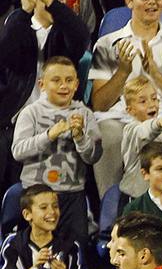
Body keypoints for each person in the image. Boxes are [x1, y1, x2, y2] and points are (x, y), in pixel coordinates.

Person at [0, 0, 92, 184]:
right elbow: (5, 53)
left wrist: (50, 1)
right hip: (11, 122)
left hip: (53, 121)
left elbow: (81, 36)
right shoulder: (18, 26)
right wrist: (24, 10)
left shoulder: (65, 35)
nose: (57, 3)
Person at [12, 56, 99, 243]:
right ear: (42, 84)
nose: (63, 86)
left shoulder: (85, 114)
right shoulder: (30, 112)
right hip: (36, 196)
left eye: (69, 81)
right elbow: (18, 151)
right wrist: (50, 134)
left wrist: (80, 137)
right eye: (56, 80)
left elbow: (93, 157)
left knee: (76, 250)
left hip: (72, 194)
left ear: (77, 84)